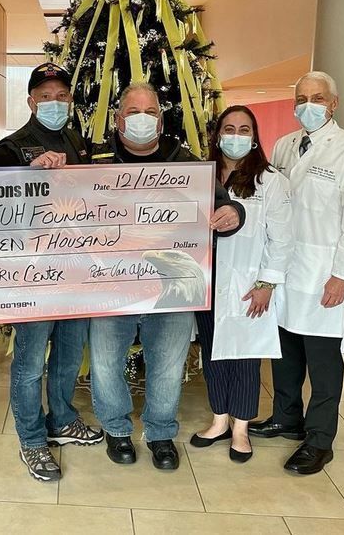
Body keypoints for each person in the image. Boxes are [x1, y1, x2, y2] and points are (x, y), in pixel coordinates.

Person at [89, 82, 245, 471]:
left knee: (168, 362)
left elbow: (223, 206)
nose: (143, 120)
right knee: (106, 361)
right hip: (112, 286)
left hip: (175, 287)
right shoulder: (95, 163)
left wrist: (234, 215)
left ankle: (160, 433)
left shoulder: (189, 164)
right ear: (118, 118)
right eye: (133, 112)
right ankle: (117, 429)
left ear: (161, 120)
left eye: (151, 113)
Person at [249, 71, 344, 474]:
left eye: (317, 98)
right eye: (301, 97)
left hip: (324, 270)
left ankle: (320, 439)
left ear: (333, 103)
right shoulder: (285, 146)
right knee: (286, 349)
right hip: (287, 266)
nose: (308, 105)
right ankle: (286, 417)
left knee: (323, 359)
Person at [0, 62, 102, 482]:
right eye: (46, 95)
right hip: (33, 275)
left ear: (70, 100)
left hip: (77, 270)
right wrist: (25, 178)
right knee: (31, 360)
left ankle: (62, 419)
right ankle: (33, 439)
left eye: (61, 95)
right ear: (31, 101)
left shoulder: (77, 140)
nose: (54, 102)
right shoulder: (9, 148)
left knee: (69, 355)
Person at [190, 105, 292, 463]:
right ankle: (219, 420)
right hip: (204, 281)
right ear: (218, 135)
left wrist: (267, 284)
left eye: (244, 129)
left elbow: (282, 239)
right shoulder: (201, 176)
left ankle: (241, 429)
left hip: (249, 283)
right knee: (214, 351)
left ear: (254, 137)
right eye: (229, 128)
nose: (236, 135)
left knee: (246, 357)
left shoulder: (271, 181)